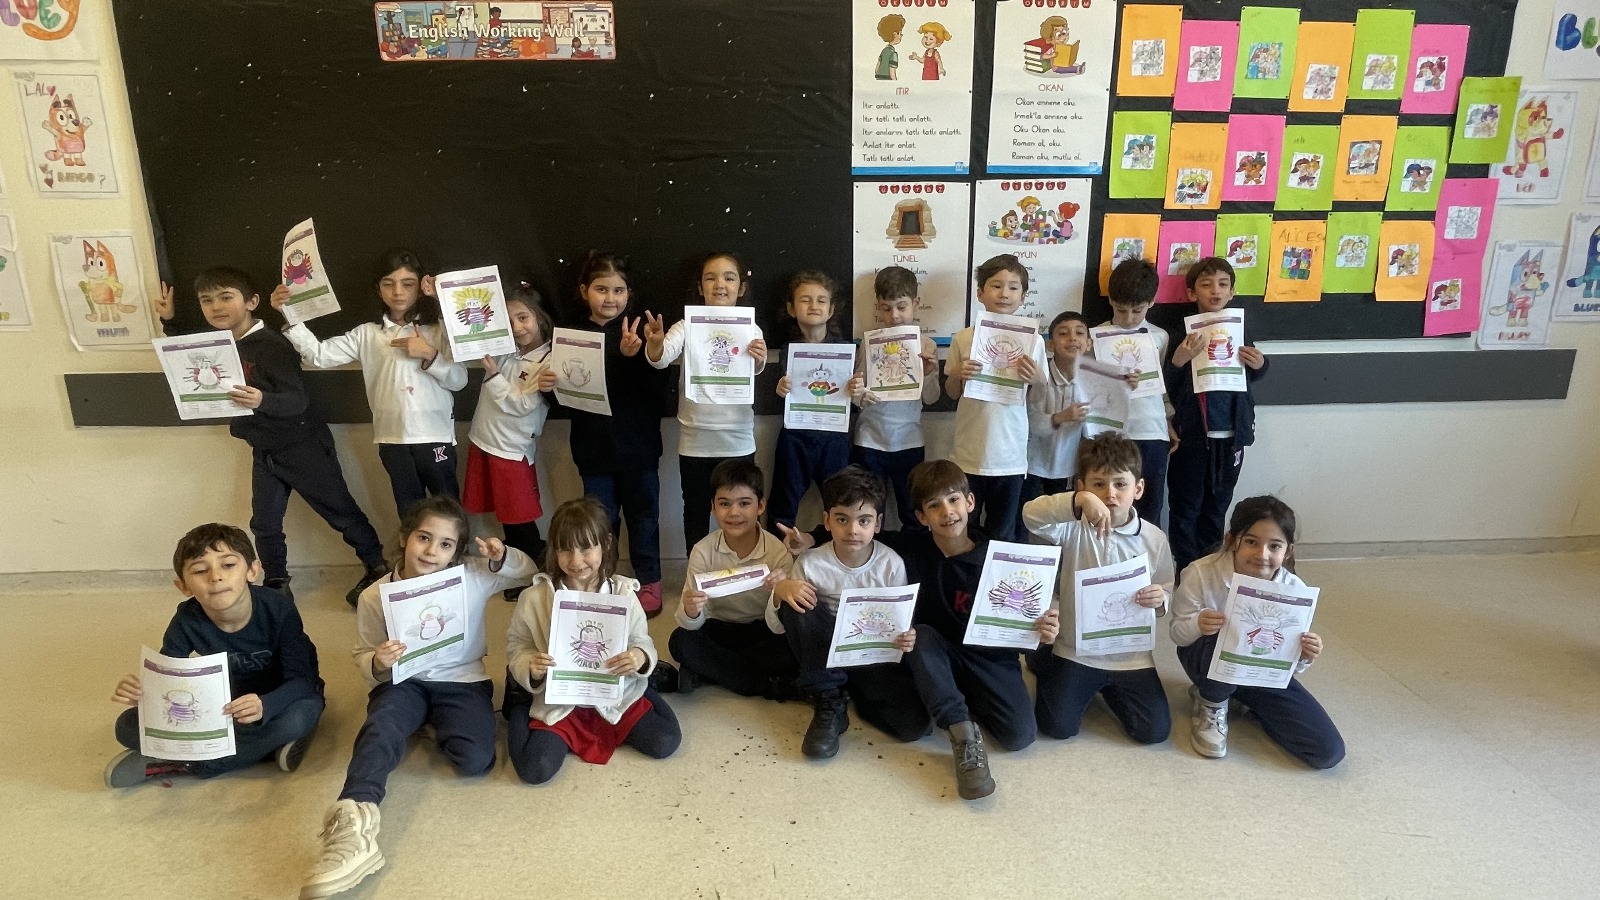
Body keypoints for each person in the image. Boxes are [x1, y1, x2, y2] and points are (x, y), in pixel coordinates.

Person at [300, 496, 537, 899]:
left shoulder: (471, 575)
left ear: (456, 552)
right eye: (424, 538)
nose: (431, 551)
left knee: (475, 760)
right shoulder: (375, 596)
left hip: (461, 680)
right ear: (404, 538)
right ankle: (354, 818)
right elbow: (363, 655)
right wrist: (378, 662)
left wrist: (502, 557)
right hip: (403, 682)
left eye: (445, 544)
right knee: (381, 728)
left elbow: (528, 572)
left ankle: (429, 722)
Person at [155, 269, 388, 605]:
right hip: (265, 449)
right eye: (206, 300)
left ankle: (377, 567)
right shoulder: (222, 345)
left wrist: (263, 400)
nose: (216, 307)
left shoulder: (272, 345)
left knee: (339, 510)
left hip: (302, 446)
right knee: (264, 523)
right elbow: (187, 352)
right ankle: (277, 582)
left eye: (226, 297)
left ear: (251, 302)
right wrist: (171, 321)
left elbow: (297, 400)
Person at [105, 524, 324, 787]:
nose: (216, 577)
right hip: (225, 706)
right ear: (183, 586)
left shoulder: (278, 609)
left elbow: (303, 681)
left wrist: (266, 705)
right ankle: (263, 749)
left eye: (228, 565)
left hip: (281, 699)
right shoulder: (186, 620)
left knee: (297, 718)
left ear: (252, 570)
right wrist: (144, 694)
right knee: (126, 725)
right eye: (200, 570)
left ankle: (180, 763)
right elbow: (170, 680)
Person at [275, 248, 467, 521]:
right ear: (378, 289)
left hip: (435, 436)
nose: (398, 292)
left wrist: (430, 354)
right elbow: (318, 355)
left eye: (408, 284)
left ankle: (455, 550)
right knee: (408, 511)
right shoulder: (367, 334)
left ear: (420, 288)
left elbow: (460, 381)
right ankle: (411, 550)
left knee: (448, 508)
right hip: (392, 438)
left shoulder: (440, 330)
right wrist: (290, 315)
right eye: (389, 284)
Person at [503, 498, 681, 785]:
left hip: (614, 696)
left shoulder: (623, 593)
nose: (576, 561)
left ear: (606, 544)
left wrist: (639, 657)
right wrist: (529, 666)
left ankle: (647, 690)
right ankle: (519, 705)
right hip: (561, 700)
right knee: (535, 769)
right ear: (554, 550)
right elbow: (517, 645)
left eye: (586, 548)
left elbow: (641, 638)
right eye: (565, 549)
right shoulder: (534, 598)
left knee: (665, 741)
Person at [1021, 434, 1175, 745]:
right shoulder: (1071, 528)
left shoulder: (1154, 539)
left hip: (1131, 655)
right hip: (1076, 650)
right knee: (1056, 726)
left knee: (1154, 732)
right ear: (1083, 487)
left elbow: (1165, 585)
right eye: (1099, 485)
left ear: (1138, 489)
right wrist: (1077, 501)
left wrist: (1161, 599)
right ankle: (1047, 660)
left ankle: (1105, 686)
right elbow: (1031, 515)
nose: (1110, 494)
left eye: (1120, 484)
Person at [1169, 496, 1344, 769]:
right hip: (1206, 660)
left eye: (1274, 546)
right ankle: (1212, 701)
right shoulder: (1201, 573)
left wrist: (1305, 655)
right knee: (1226, 633)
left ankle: (1245, 700)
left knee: (1327, 751)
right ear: (1231, 540)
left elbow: (1290, 667)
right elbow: (1178, 635)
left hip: (1261, 672)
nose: (1262, 554)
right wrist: (1198, 624)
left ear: (1288, 551)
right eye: (1251, 541)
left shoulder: (1294, 590)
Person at [768, 466, 924, 759]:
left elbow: (900, 625)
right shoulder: (811, 563)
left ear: (878, 523)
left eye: (864, 520)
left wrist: (907, 637)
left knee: (914, 725)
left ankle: (854, 693)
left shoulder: (891, 564)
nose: (853, 530)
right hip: (823, 654)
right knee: (796, 598)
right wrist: (781, 591)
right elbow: (780, 628)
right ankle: (829, 698)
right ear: (827, 521)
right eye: (842, 519)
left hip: (871, 658)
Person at [561, 252, 669, 616]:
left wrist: (639, 354)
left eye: (618, 290)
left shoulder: (642, 332)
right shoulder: (571, 336)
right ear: (584, 291)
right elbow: (565, 397)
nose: (610, 298)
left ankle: (649, 579)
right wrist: (549, 385)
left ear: (629, 294)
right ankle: (601, 580)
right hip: (593, 451)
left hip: (640, 449)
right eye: (601, 289)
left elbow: (657, 390)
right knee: (599, 522)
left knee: (644, 518)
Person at [644, 252, 768, 551]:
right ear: (701, 287)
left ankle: (742, 567)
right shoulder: (687, 324)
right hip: (695, 438)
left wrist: (760, 358)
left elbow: (754, 369)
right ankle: (698, 571)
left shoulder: (750, 327)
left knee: (741, 511)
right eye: (710, 278)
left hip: (737, 438)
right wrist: (656, 345)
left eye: (729, 278)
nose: (719, 284)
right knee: (696, 510)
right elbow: (661, 359)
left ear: (741, 287)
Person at [1165, 258, 1270, 574]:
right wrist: (1178, 361)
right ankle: (1186, 570)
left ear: (1232, 292)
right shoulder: (1181, 334)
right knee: (1185, 506)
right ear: (1191, 293)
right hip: (1193, 436)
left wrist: (1261, 365)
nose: (1215, 290)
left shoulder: (1239, 330)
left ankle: (1209, 570)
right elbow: (1166, 384)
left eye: (1223, 284)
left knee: (1218, 505)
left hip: (1231, 436)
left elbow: (1251, 373)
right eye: (1206, 284)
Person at [661, 459, 798, 699]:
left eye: (744, 503)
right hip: (718, 628)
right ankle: (768, 685)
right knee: (680, 642)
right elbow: (689, 624)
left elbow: (779, 625)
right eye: (724, 504)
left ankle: (708, 673)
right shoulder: (703, 550)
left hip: (761, 628)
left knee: (792, 650)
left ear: (760, 506)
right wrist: (691, 609)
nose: (734, 513)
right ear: (713, 507)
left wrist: (778, 594)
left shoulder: (777, 551)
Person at [462, 284, 555, 598]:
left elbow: (523, 404)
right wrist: (441, 298)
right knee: (506, 515)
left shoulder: (549, 360)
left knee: (518, 517)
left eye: (523, 318)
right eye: (508, 320)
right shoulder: (504, 349)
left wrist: (493, 376)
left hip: (512, 450)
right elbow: (465, 330)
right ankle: (516, 564)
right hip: (484, 441)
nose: (516, 328)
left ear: (540, 317)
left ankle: (530, 570)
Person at [944, 254, 1046, 542]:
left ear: (1023, 297)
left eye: (1013, 287)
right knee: (964, 531)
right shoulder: (963, 338)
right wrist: (957, 375)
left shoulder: (1034, 341)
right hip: (968, 455)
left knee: (1002, 534)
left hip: (1010, 457)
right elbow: (952, 393)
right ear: (980, 293)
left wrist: (1038, 379)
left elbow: (1038, 399)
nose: (1004, 293)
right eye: (996, 285)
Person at [849, 266, 941, 532]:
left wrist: (929, 374)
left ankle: (912, 556)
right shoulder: (869, 343)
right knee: (867, 510)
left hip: (909, 440)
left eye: (902, 307)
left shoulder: (927, 345)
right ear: (878, 306)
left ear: (916, 303)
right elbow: (856, 396)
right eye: (886, 308)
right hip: (869, 439)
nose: (894, 316)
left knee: (913, 513)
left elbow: (932, 399)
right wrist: (859, 394)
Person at [1090, 258, 1172, 527]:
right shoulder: (1095, 337)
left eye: (1137, 311)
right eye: (1120, 310)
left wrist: (1169, 419)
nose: (1128, 319)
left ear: (1151, 302)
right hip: (1110, 432)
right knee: (1107, 506)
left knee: (1149, 507)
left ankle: (1147, 554)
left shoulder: (1159, 337)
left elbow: (1163, 387)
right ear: (1110, 300)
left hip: (1151, 430)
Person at [768, 270, 852, 533]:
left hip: (835, 437)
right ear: (791, 309)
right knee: (783, 504)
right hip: (796, 437)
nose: (814, 305)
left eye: (821, 300)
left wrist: (856, 390)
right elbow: (787, 393)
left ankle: (837, 553)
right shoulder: (787, 350)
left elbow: (855, 397)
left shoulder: (847, 351)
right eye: (805, 300)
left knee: (842, 504)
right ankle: (777, 553)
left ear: (831, 310)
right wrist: (781, 390)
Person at [1024, 310, 1091, 515]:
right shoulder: (1039, 378)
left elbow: (1100, 428)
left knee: (1064, 523)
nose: (1072, 338)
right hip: (1033, 467)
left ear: (1089, 344)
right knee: (1028, 519)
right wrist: (1060, 417)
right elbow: (1031, 423)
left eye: (1079, 333)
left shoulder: (1095, 382)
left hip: (1069, 469)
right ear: (1050, 345)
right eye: (1063, 333)